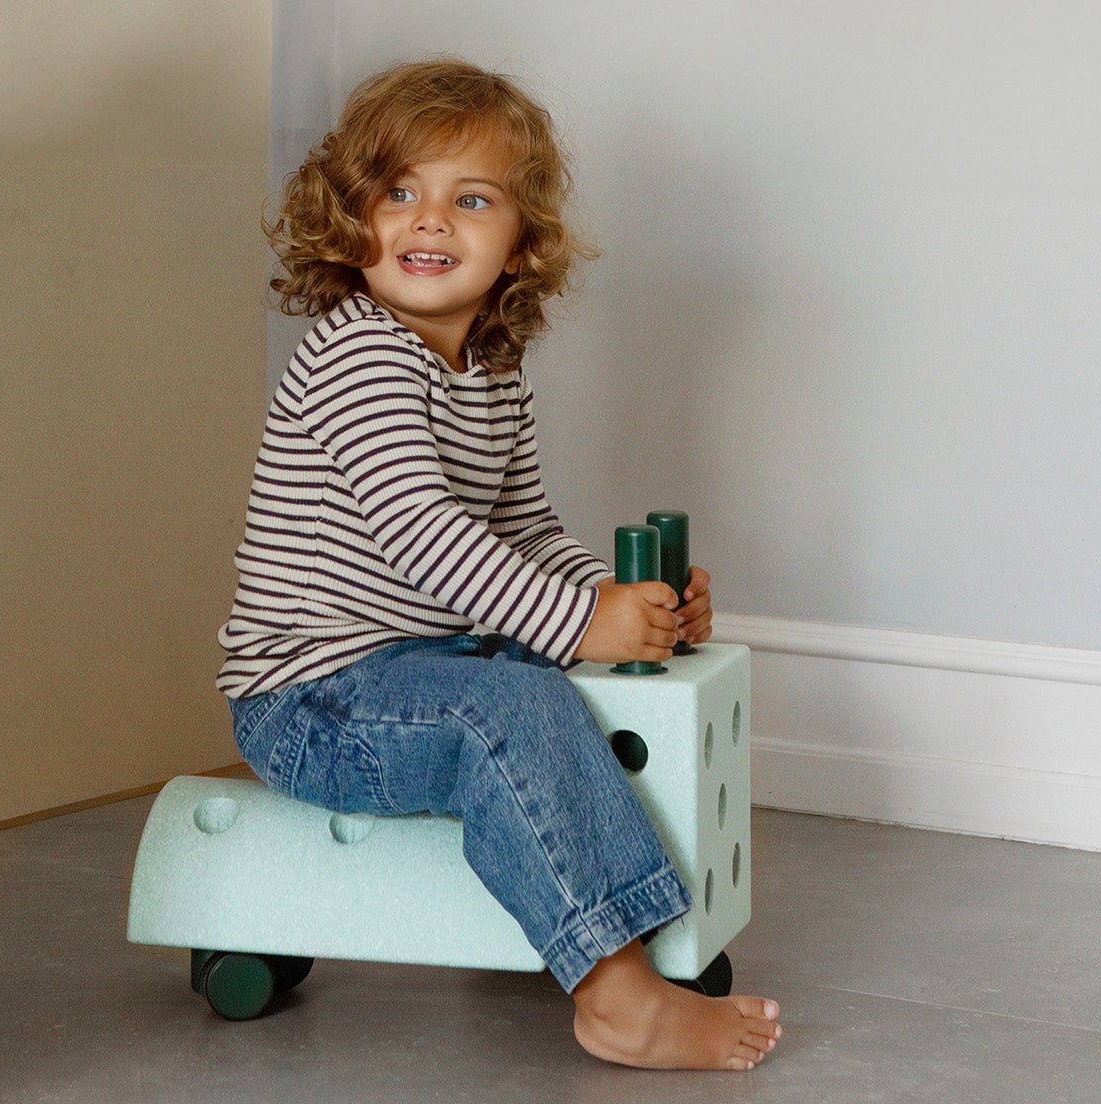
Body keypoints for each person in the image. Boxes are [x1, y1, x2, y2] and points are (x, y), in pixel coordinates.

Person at [216, 57, 782, 1071]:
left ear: (519, 241)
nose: (430, 221)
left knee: (540, 682)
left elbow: (521, 527)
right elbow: (424, 534)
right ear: (350, 216)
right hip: (313, 699)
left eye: (470, 200)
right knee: (516, 703)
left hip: (414, 669)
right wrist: (578, 625)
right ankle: (617, 997)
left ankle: (583, 912)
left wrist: (625, 602)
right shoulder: (359, 355)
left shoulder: (490, 367)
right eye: (399, 193)